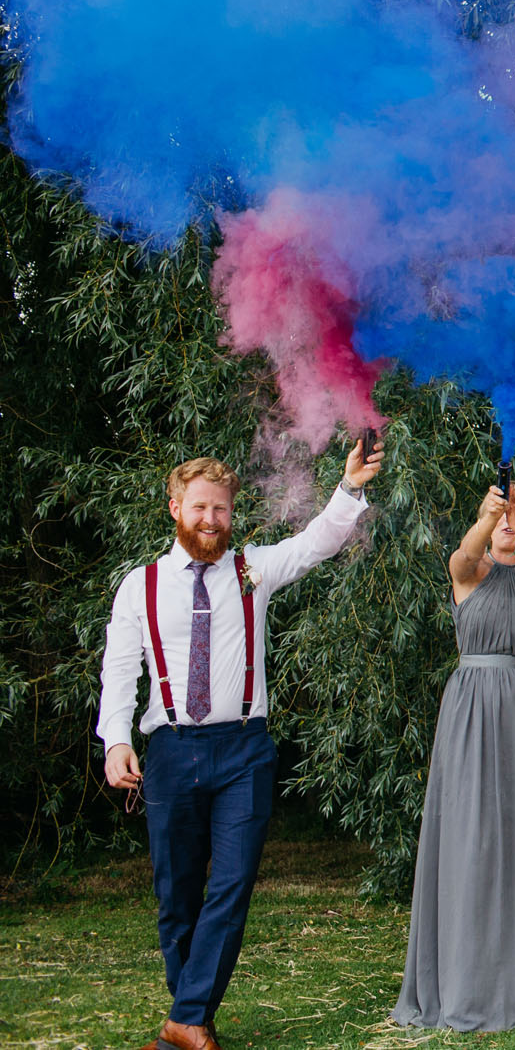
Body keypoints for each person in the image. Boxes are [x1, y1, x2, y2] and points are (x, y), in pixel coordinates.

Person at [99, 442, 381, 1050]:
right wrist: (115, 740)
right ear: (175, 507)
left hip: (244, 751)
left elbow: (316, 541)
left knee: (231, 884)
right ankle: (190, 1017)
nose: (211, 520)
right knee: (176, 896)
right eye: (199, 508)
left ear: (232, 514)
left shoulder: (252, 568)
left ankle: (187, 1018)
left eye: (221, 510)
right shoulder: (138, 587)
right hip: (171, 751)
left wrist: (350, 487)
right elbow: (120, 671)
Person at [394, 480, 515, 1032]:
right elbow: (462, 555)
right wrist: (488, 516)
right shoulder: (469, 571)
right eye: (498, 511)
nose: (507, 520)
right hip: (472, 715)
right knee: (472, 836)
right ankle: (468, 977)